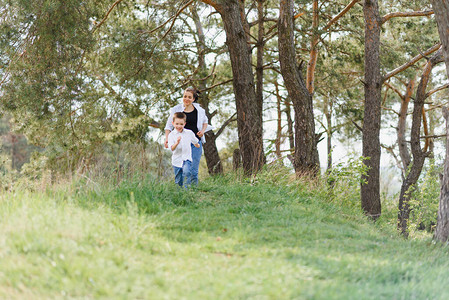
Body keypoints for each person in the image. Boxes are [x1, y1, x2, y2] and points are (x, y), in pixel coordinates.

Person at [164, 87, 209, 185]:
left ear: (193, 99)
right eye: (185, 96)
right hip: (181, 144)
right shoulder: (176, 109)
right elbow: (168, 126)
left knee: (193, 170)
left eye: (189, 97)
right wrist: (167, 139)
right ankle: (183, 190)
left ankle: (193, 191)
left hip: (195, 142)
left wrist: (202, 131)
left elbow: (205, 122)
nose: (186, 99)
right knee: (181, 169)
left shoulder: (199, 110)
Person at [168, 112, 200, 188]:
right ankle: (179, 193)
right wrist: (177, 142)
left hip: (187, 158)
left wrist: (197, 145)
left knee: (187, 172)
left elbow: (195, 141)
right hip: (176, 160)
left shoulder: (189, 133)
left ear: (184, 124)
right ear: (173, 123)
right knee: (178, 180)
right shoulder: (171, 135)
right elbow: (172, 148)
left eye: (181, 124)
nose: (179, 126)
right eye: (177, 124)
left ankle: (187, 190)